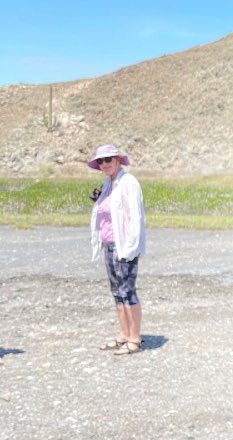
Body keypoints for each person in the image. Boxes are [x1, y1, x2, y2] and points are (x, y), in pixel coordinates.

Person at [88, 144, 146, 356]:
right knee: (116, 291)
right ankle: (123, 334)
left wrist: (130, 248)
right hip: (109, 244)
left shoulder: (129, 182)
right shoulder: (108, 183)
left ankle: (135, 338)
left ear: (118, 160)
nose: (104, 164)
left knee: (128, 290)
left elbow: (135, 217)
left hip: (124, 247)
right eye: (100, 161)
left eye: (108, 159)